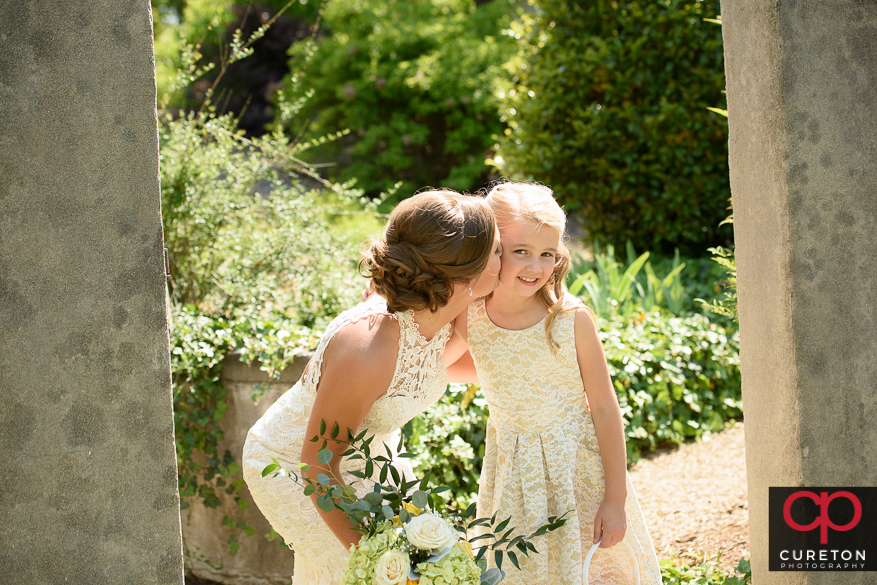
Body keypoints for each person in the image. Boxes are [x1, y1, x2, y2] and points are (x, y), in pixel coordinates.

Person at [242, 190, 502, 585]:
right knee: (370, 574)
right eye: (499, 252)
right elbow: (316, 466)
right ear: (464, 277)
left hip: (369, 453)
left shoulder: (443, 315)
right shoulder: (367, 349)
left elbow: (487, 370)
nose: (510, 259)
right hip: (293, 465)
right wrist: (383, 561)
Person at [447, 182, 662, 585]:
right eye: (521, 252)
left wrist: (615, 500)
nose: (535, 267)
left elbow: (603, 407)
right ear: (491, 249)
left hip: (575, 470)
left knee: (587, 568)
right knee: (520, 570)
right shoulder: (470, 314)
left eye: (547, 254)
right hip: (512, 472)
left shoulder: (569, 319)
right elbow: (455, 367)